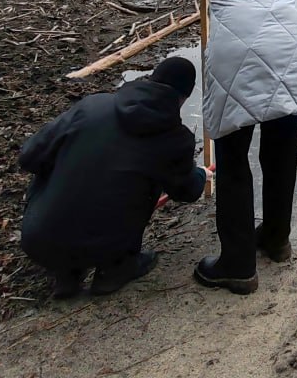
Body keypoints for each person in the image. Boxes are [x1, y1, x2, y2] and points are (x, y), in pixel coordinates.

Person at [172, 0, 297, 295]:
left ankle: (237, 265)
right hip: (291, 43)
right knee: (282, 152)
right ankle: (276, 239)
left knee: (233, 158)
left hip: (237, 47)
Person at [18, 55, 207, 298]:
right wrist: (200, 174)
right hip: (107, 246)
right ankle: (117, 267)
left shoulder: (92, 106)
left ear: (150, 80)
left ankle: (66, 271)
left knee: (57, 159)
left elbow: (29, 157)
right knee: (144, 181)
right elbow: (187, 191)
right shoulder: (175, 138)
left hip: (39, 240)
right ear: (183, 98)